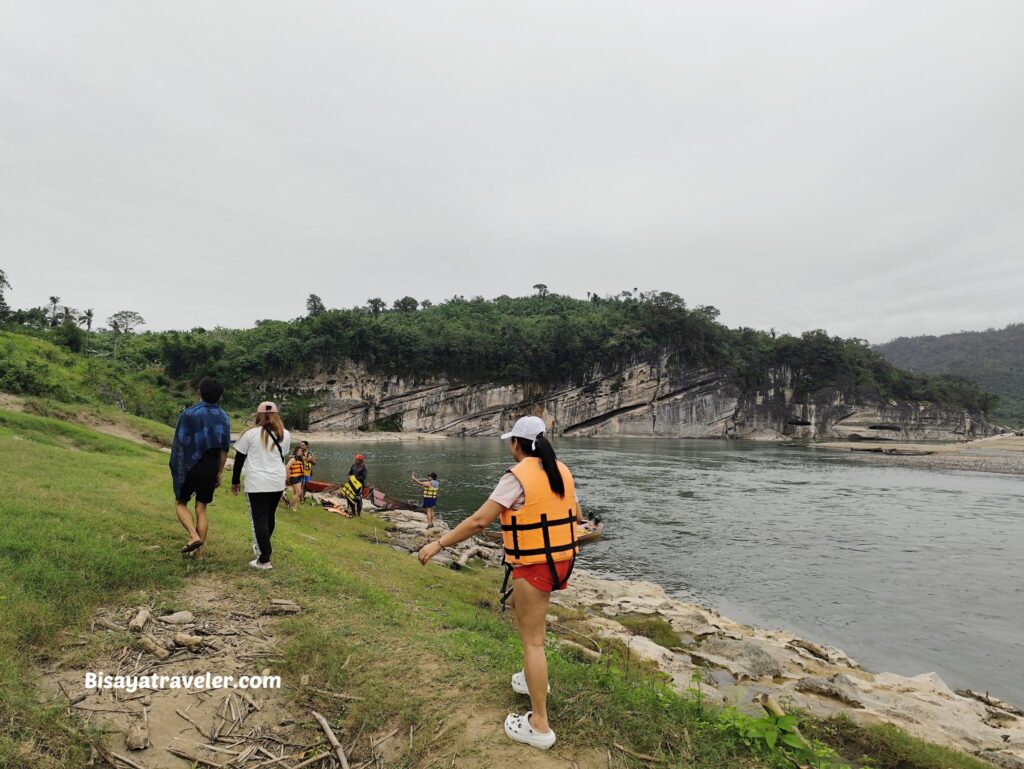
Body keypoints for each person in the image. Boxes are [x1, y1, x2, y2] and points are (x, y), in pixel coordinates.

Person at [417, 416, 585, 750]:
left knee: (533, 640)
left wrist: (438, 544)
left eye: (510, 441)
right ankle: (529, 677)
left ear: (516, 444)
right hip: (561, 561)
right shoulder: (561, 470)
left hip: (535, 564)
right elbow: (576, 516)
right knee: (517, 610)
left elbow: (480, 520)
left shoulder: (517, 477)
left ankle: (539, 725)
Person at [169, 377, 231, 559]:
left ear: (199, 392)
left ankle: (193, 536)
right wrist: (219, 472)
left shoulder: (189, 414)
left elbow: (179, 442)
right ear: (220, 396)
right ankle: (199, 554)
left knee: (181, 503)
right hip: (210, 466)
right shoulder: (224, 417)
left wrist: (178, 466)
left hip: (190, 465)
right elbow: (224, 449)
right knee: (201, 508)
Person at [231, 402, 290, 570]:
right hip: (277, 481)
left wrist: (235, 481)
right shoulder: (285, 434)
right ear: (277, 415)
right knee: (269, 516)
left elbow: (239, 460)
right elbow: (281, 456)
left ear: (258, 415)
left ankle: (264, 558)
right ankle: (262, 549)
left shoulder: (249, 434)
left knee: (259, 518)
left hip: (257, 482)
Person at [285, 446, 306, 511]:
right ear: (295, 451)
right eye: (298, 451)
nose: (299, 452)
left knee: (296, 493)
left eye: (301, 451)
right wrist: (288, 476)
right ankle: (291, 506)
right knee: (298, 492)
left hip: (300, 477)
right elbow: (287, 467)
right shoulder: (293, 459)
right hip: (294, 477)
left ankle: (294, 508)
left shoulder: (300, 459)